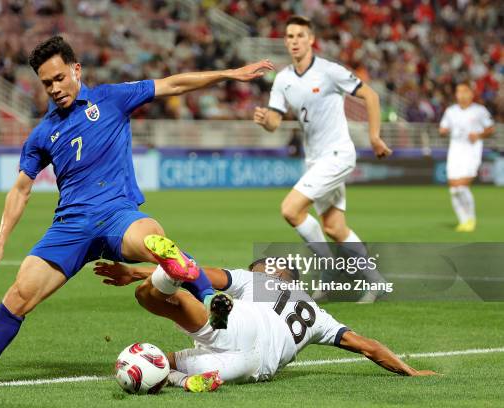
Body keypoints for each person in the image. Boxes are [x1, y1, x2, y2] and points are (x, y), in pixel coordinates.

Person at [0, 36, 274, 387]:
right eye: (47, 83)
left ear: (76, 70)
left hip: (118, 215)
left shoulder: (112, 98)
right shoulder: (42, 134)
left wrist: (230, 74)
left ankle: (209, 299)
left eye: (60, 78)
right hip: (71, 225)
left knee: (157, 243)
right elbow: (21, 189)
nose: (54, 88)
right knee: (20, 294)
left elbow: (173, 83)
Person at [95, 237, 437, 392]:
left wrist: (134, 273)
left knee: (150, 297)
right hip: (252, 368)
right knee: (169, 366)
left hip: (237, 326)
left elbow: (197, 270)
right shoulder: (318, 315)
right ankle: (185, 380)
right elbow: (367, 346)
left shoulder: (258, 281)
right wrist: (410, 371)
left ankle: (166, 276)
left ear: (275, 273)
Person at [253, 16, 391, 303]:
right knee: (333, 228)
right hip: (314, 161)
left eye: (300, 35)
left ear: (311, 39)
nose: (294, 41)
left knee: (291, 209)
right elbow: (275, 123)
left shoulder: (329, 71)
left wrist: (375, 136)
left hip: (338, 154)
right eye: (289, 36)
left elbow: (371, 96)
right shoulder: (283, 79)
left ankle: (330, 270)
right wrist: (265, 120)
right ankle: (376, 282)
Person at [439, 82, 495, 232]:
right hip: (455, 151)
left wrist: (479, 135)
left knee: (462, 186)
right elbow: (443, 128)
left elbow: (490, 129)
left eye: (464, 91)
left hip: (471, 151)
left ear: (471, 93)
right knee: (454, 189)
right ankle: (463, 221)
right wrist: (443, 131)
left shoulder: (479, 111)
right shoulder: (451, 111)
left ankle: (471, 219)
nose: (461, 95)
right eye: (458, 92)